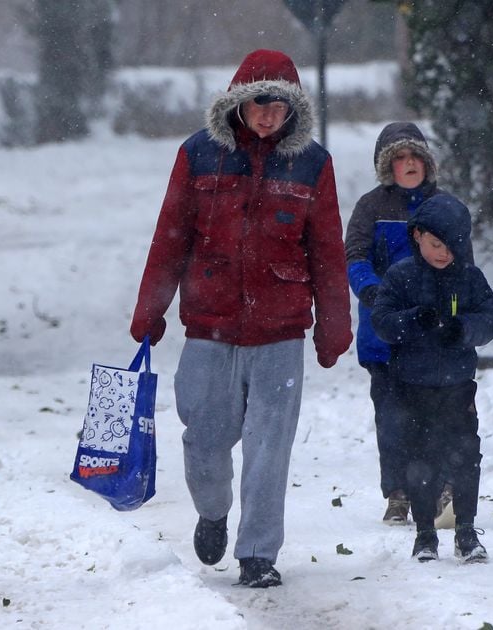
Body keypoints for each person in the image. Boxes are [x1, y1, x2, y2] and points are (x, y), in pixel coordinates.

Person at [130, 49, 352, 588]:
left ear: (293, 108)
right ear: (238, 102)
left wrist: (334, 323)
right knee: (203, 439)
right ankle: (213, 511)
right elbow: (171, 235)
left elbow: (326, 249)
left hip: (280, 331)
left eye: (280, 105)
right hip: (210, 325)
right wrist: (150, 309)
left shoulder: (312, 164)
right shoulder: (199, 155)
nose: (269, 115)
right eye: (259, 103)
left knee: (269, 448)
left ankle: (258, 554)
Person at [370, 193, 493, 563]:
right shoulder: (401, 277)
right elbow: (382, 321)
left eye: (453, 246)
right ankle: (425, 535)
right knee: (421, 460)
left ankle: (466, 531)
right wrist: (412, 320)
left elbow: (491, 319)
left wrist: (462, 329)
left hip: (459, 387)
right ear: (417, 237)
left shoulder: (470, 278)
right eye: (436, 245)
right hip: (412, 387)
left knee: (465, 457)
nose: (444, 253)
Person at [343, 122, 458, 525]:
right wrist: (374, 294)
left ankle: (443, 489)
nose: (409, 165)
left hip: (433, 337)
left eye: (416, 158)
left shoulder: (445, 207)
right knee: (392, 419)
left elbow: (463, 265)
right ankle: (397, 493)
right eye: (400, 159)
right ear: (386, 167)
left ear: (427, 163)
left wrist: (455, 312)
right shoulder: (370, 208)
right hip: (385, 337)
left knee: (437, 416)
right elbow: (354, 257)